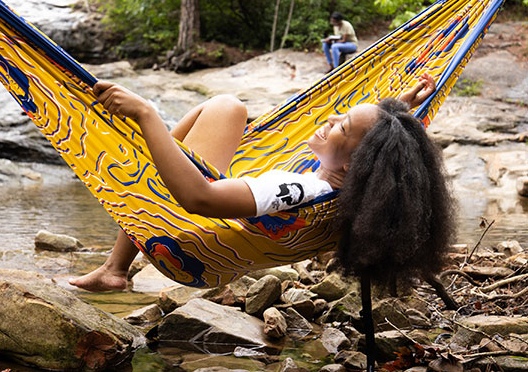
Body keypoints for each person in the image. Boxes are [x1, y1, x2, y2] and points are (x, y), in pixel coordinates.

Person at [69, 74, 456, 292]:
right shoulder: (351, 194)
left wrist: (145, 114)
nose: (331, 117)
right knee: (232, 109)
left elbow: (196, 197)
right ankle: (114, 270)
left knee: (226, 106)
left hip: (186, 242)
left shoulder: (297, 193)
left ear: (359, 161)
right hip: (215, 247)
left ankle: (114, 266)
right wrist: (399, 109)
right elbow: (379, 147)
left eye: (342, 124)